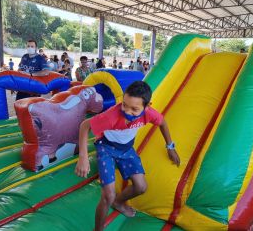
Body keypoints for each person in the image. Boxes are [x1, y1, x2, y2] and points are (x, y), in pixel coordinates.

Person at [75, 81, 180, 231]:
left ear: (147, 106)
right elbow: (85, 126)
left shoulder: (150, 114)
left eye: (134, 109)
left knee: (141, 187)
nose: (127, 111)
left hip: (126, 149)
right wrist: (83, 157)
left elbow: (162, 123)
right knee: (108, 196)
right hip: (106, 148)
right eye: (124, 105)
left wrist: (170, 146)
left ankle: (118, 202)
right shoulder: (111, 116)